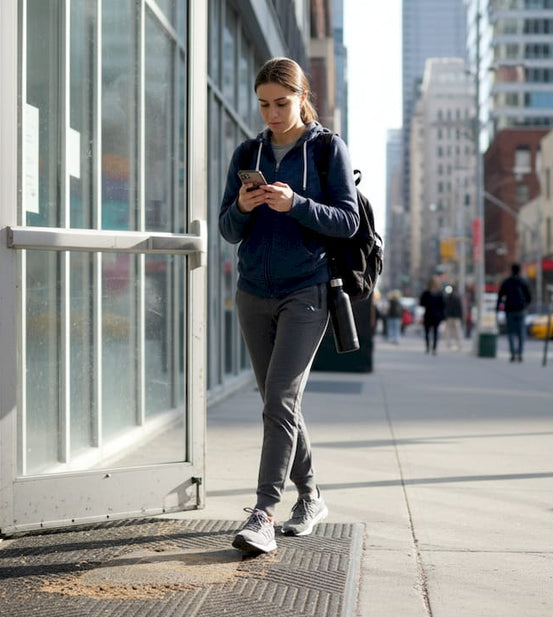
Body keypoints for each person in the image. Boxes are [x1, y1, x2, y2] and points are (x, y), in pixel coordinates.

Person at [219, 57, 359, 555]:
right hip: (253, 290)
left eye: (281, 103)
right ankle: (313, 495)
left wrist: (294, 203)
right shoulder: (247, 151)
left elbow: (347, 221)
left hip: (307, 290)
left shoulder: (327, 149)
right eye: (263, 104)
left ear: (303, 97)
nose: (272, 114)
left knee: (280, 397)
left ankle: (263, 512)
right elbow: (227, 230)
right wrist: (244, 206)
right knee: (278, 401)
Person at [497, 263, 532, 362]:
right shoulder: (523, 281)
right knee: (521, 333)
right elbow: (529, 297)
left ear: (511, 270)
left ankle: (512, 354)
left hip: (509, 310)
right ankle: (520, 354)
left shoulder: (507, 282)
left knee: (511, 333)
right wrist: (525, 305)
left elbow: (500, 296)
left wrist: (497, 308)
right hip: (520, 310)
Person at [419, 276, 446, 355]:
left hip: (428, 315)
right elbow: (443, 306)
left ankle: (428, 347)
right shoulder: (439, 293)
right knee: (435, 332)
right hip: (436, 316)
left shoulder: (426, 293)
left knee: (427, 332)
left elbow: (421, 303)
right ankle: (434, 348)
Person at [442, 284, 464, 350]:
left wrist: (460, 316)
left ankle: (459, 344)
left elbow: (459, 308)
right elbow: (445, 307)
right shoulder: (447, 298)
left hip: (455, 317)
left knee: (457, 331)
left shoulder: (456, 298)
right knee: (448, 331)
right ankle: (449, 344)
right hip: (449, 317)